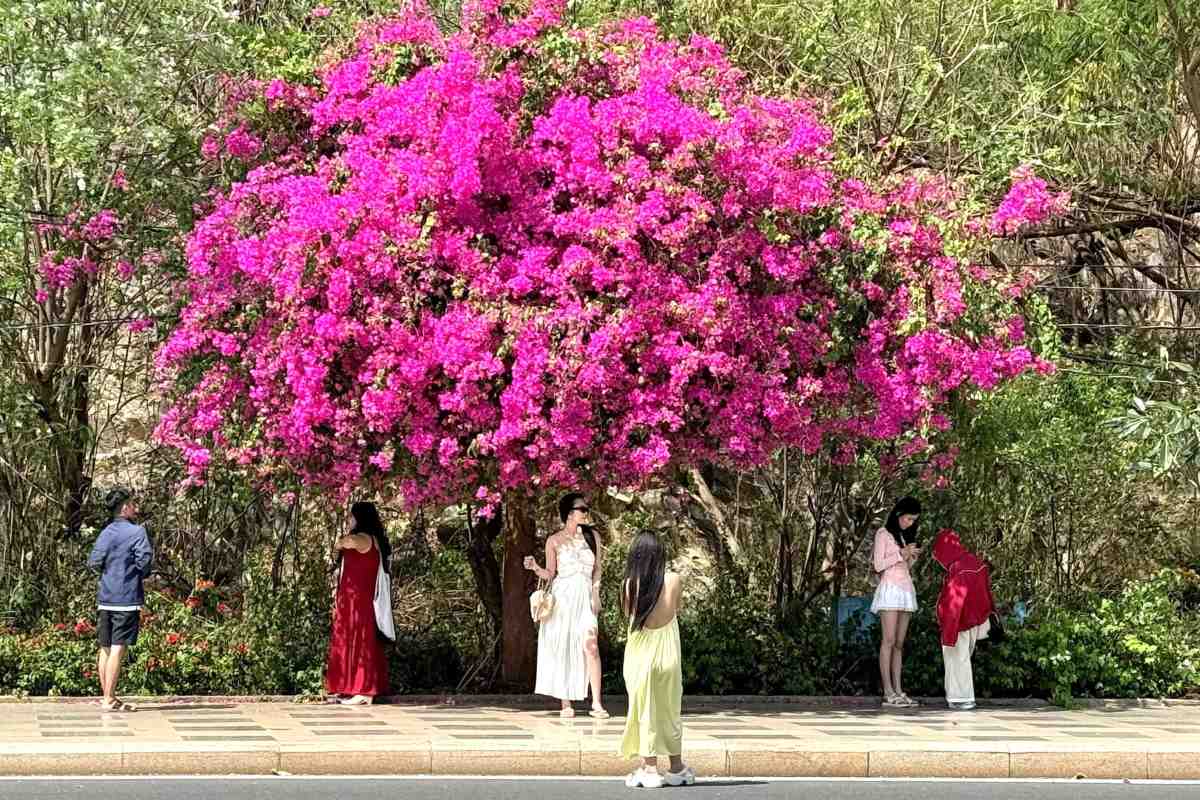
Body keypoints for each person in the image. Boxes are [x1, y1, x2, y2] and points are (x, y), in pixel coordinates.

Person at [620, 531, 694, 789]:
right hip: (668, 654)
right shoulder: (673, 579)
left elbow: (629, 615)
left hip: (640, 654)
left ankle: (650, 769)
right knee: (670, 710)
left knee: (643, 710)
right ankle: (677, 768)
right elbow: (676, 610)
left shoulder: (630, 584)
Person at [524, 492, 609, 718]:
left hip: (585, 597)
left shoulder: (593, 537)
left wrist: (596, 593)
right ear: (570, 514)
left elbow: (598, 568)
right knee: (564, 646)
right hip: (563, 598)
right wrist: (535, 567)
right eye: (582, 509)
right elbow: (551, 574)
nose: (586, 512)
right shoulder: (554, 540)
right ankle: (566, 702)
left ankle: (597, 703)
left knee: (591, 646)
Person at [86, 488, 153, 713]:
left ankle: (109, 697)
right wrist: (134, 574)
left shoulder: (106, 532)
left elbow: (94, 561)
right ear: (124, 507)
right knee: (117, 648)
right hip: (126, 598)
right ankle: (108, 699)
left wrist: (110, 574)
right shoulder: (137, 532)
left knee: (105, 648)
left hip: (105, 597)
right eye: (133, 504)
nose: (136, 508)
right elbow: (145, 561)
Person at [325, 501, 391, 705]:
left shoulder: (363, 539)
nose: (349, 520)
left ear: (360, 518)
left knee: (361, 640)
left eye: (351, 516)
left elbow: (341, 543)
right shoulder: (373, 539)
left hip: (359, 599)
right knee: (353, 639)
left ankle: (364, 689)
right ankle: (351, 686)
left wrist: (345, 534)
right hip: (354, 598)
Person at [931, 529, 997, 711]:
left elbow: (954, 602)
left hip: (960, 621)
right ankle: (965, 697)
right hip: (975, 620)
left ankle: (961, 699)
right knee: (964, 659)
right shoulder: (974, 562)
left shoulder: (958, 569)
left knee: (956, 660)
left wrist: (948, 630)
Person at [871, 496, 922, 708]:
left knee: (900, 643)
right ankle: (888, 691)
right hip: (890, 589)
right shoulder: (883, 534)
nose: (910, 523)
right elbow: (878, 565)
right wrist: (901, 553)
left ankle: (899, 690)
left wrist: (911, 556)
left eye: (914, 520)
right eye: (908, 518)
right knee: (889, 640)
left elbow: (905, 566)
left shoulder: (904, 536)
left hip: (905, 589)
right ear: (899, 514)